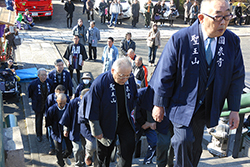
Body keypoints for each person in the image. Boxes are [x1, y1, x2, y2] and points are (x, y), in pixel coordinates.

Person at [149, 0, 245, 166]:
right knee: (183, 140)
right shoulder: (181, 39)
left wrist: (234, 109)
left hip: (206, 104)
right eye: (218, 17)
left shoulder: (232, 41)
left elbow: (237, 77)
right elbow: (164, 74)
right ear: (201, 17)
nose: (223, 22)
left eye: (227, 16)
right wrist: (159, 104)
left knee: (195, 147)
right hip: (181, 102)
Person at [85, 57, 137, 167]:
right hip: (106, 122)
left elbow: (135, 97)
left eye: (128, 75)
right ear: (113, 70)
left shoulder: (130, 78)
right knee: (104, 156)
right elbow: (92, 107)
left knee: (129, 148)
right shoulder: (100, 83)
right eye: (122, 76)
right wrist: (96, 129)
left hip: (125, 119)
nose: (125, 79)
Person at [60, 89, 93, 167]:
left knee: (89, 147)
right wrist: (66, 129)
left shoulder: (93, 102)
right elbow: (67, 116)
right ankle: (78, 163)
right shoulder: (73, 102)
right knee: (77, 149)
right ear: (81, 96)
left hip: (87, 130)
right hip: (75, 128)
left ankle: (86, 160)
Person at [46, 93, 73, 167]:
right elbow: (48, 122)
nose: (62, 105)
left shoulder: (69, 107)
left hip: (67, 131)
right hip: (56, 131)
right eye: (60, 103)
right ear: (56, 101)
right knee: (58, 149)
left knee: (70, 148)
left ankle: (65, 156)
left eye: (64, 103)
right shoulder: (51, 109)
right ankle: (61, 163)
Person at [28, 68, 52, 142]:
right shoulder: (33, 84)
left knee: (49, 120)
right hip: (38, 104)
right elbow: (30, 93)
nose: (44, 77)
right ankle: (39, 135)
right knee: (39, 120)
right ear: (38, 75)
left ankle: (49, 135)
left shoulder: (50, 82)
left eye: (45, 75)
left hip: (48, 104)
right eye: (42, 75)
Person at [45, 85, 70, 155]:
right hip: (53, 121)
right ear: (55, 92)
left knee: (64, 136)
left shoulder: (66, 99)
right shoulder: (50, 98)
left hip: (62, 122)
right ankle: (52, 148)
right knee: (52, 136)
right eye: (59, 93)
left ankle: (63, 150)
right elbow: (47, 110)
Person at [135, 87, 157, 165]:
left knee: (154, 141)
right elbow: (135, 110)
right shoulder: (141, 93)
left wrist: (152, 123)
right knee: (132, 142)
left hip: (152, 123)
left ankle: (148, 160)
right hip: (138, 122)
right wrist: (143, 123)